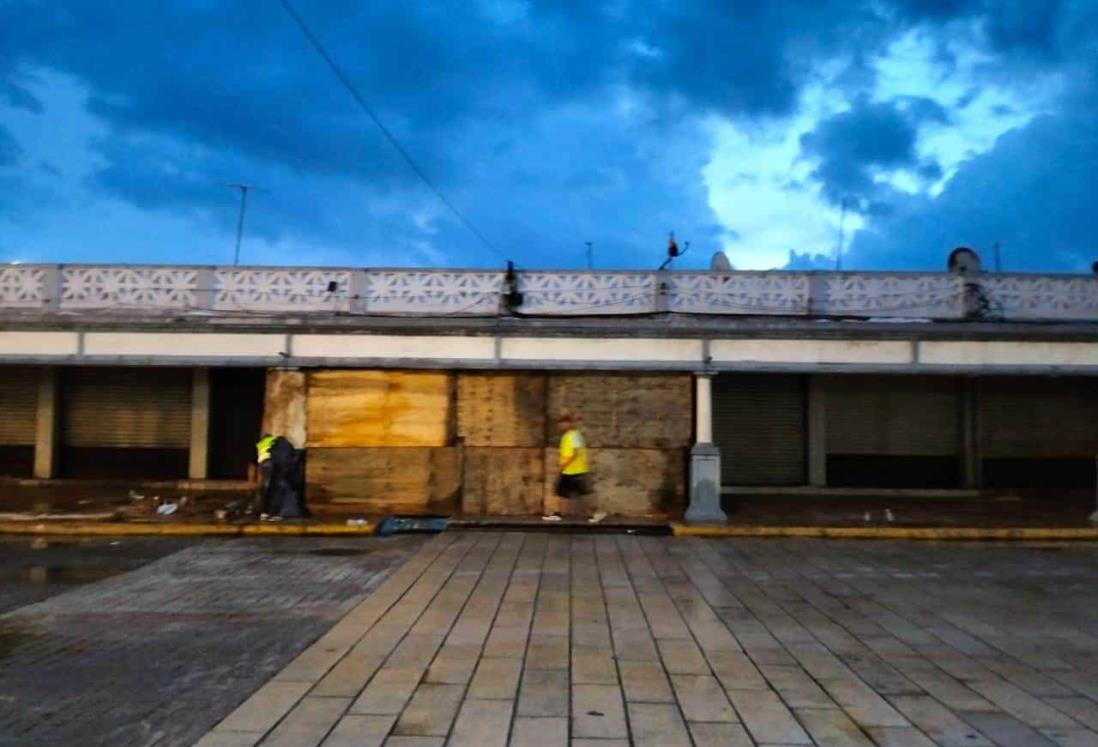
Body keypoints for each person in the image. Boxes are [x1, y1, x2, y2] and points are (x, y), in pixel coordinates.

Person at [544, 414, 606, 523]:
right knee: (563, 492)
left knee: (582, 493)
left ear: (569, 423)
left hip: (573, 470)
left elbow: (573, 453)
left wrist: (562, 466)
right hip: (573, 470)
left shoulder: (571, 436)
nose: (560, 426)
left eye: (563, 423)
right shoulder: (574, 435)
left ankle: (595, 513)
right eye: (560, 423)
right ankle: (558, 513)